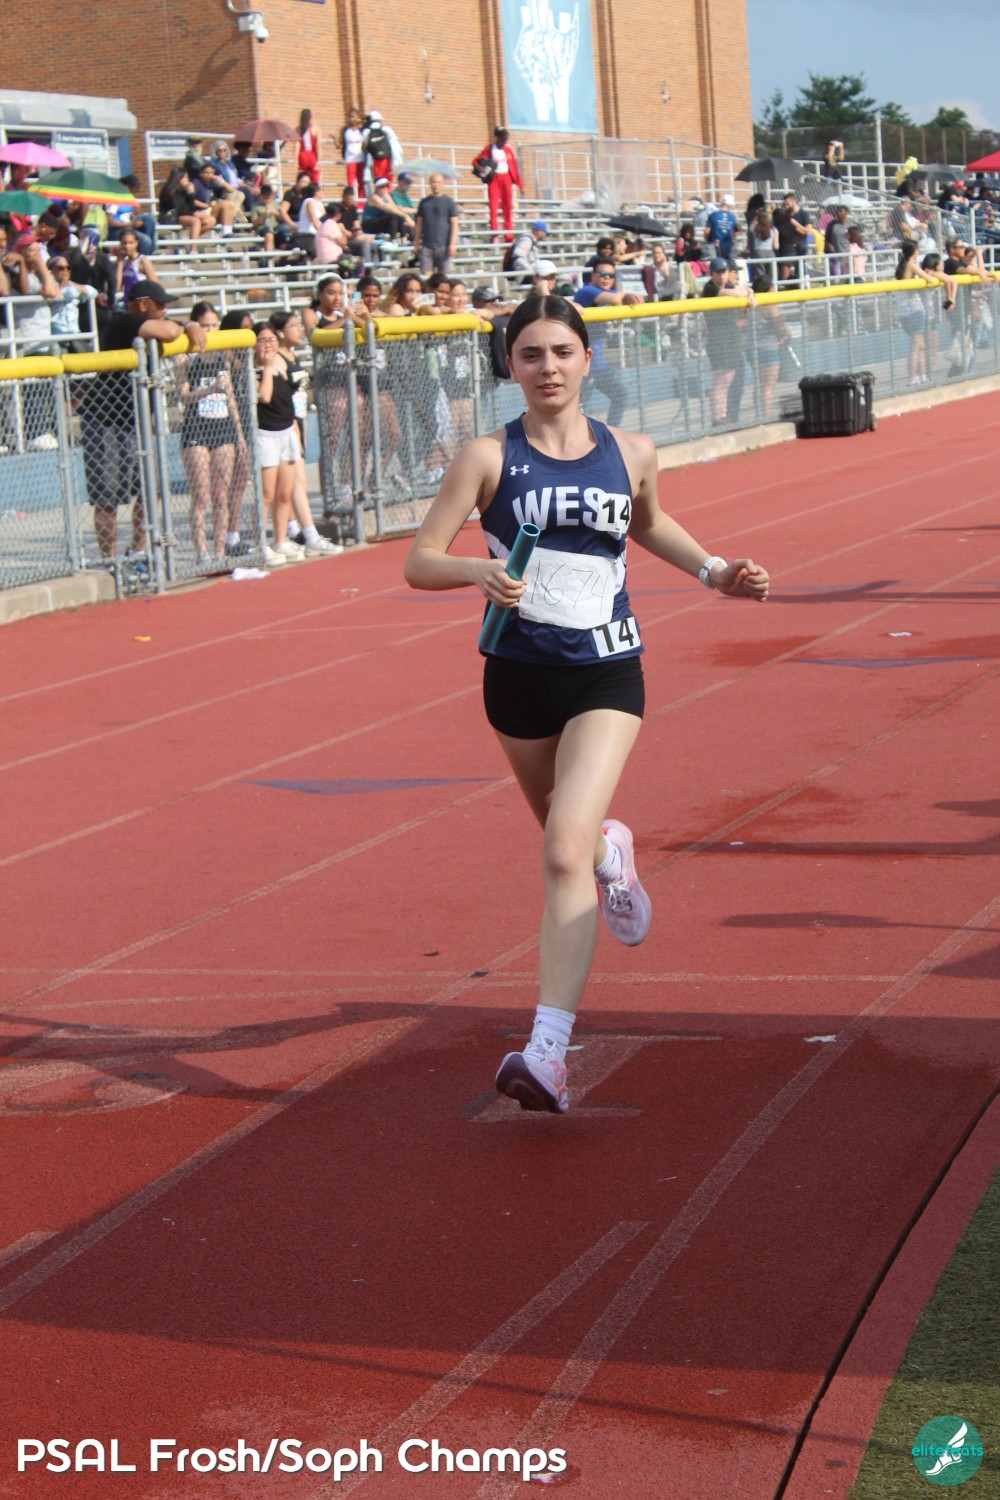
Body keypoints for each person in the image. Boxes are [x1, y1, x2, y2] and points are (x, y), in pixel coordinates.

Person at [403, 295, 769, 1114]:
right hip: (516, 675)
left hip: (607, 671)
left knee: (560, 852)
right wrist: (474, 571)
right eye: (530, 354)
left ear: (587, 359)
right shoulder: (487, 456)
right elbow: (420, 560)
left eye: (562, 352)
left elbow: (650, 523)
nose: (549, 368)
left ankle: (547, 1051)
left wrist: (716, 572)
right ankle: (612, 851)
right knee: (568, 839)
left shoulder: (631, 450)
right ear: (510, 365)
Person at [80, 280, 207, 567]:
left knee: (153, 488)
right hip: (105, 421)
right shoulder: (123, 321)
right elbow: (168, 331)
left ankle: (137, 553)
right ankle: (110, 562)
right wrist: (186, 325)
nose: (164, 310)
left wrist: (190, 324)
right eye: (160, 305)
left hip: (134, 422)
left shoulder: (145, 321)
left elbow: (171, 328)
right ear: (143, 304)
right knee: (108, 497)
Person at [173, 300, 251, 568]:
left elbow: (231, 398)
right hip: (196, 430)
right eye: (205, 326)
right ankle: (202, 553)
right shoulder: (184, 355)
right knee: (201, 496)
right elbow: (183, 395)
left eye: (214, 325)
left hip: (223, 428)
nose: (210, 330)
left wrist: (239, 434)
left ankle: (219, 552)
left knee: (221, 496)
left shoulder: (222, 354)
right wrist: (208, 390)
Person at [573, 257, 643, 426]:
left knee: (621, 394)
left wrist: (629, 297)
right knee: (578, 410)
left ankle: (610, 433)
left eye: (611, 275)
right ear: (593, 275)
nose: (607, 278)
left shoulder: (608, 293)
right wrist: (625, 295)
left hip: (599, 365)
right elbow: (614, 299)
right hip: (582, 366)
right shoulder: (587, 291)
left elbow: (628, 298)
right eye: (603, 273)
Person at [700, 257, 755, 424]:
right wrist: (744, 293)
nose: (721, 275)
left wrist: (750, 293)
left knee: (729, 379)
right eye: (717, 272)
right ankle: (717, 418)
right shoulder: (710, 288)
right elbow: (734, 293)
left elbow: (745, 289)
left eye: (723, 271)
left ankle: (724, 416)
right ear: (712, 274)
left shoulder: (728, 285)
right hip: (718, 340)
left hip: (730, 339)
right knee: (721, 380)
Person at [475, 126, 524, 243]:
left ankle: (509, 235)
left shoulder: (508, 149)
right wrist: (481, 169)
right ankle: (495, 234)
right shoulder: (489, 148)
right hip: (494, 179)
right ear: (497, 138)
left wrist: (520, 184)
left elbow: (514, 167)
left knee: (508, 207)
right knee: (493, 206)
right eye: (502, 139)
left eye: (505, 140)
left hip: (506, 178)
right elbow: (476, 161)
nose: (504, 142)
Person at [413, 172, 459, 276]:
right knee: (426, 276)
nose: (436, 185)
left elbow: (454, 224)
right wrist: (416, 243)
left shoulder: (449, 202)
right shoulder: (424, 202)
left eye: (438, 182)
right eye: (433, 182)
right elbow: (419, 223)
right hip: (427, 245)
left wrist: (453, 244)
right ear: (430, 183)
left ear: (443, 184)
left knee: (444, 278)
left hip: (444, 245)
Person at [362, 110, 402, 193]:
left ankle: (381, 196)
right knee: (389, 181)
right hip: (388, 159)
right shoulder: (386, 129)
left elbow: (364, 147)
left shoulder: (366, 131)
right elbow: (394, 141)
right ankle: (389, 195)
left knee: (379, 181)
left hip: (376, 160)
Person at [114, 230, 156, 307]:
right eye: (124, 243)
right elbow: (116, 288)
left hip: (141, 304)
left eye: (130, 243)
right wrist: (119, 261)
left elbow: (155, 285)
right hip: (129, 304)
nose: (127, 246)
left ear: (136, 243)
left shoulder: (143, 260)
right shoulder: (123, 263)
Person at [340, 107, 365, 201]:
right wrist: (334, 140)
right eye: (350, 117)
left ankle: (361, 202)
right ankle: (350, 201)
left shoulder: (362, 130)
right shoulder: (345, 130)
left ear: (358, 117)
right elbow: (340, 144)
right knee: (350, 183)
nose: (351, 119)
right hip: (350, 159)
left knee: (361, 182)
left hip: (361, 158)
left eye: (353, 117)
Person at [705, 193, 739, 259]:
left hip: (716, 245)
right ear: (730, 205)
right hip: (728, 245)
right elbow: (736, 233)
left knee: (717, 264)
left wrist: (707, 240)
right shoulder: (732, 217)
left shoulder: (713, 215)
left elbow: (707, 231)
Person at [298, 109, 321, 185]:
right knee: (315, 177)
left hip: (302, 155)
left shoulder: (299, 129)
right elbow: (318, 146)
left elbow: (297, 146)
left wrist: (295, 161)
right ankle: (314, 189)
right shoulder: (315, 129)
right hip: (312, 155)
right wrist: (319, 160)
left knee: (303, 178)